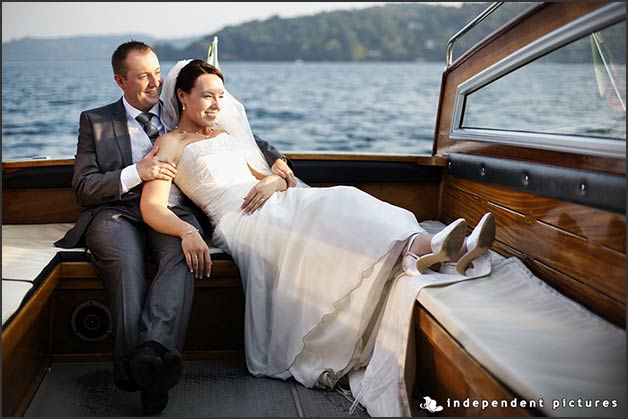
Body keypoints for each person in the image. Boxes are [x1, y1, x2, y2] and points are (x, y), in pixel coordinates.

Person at [139, 59, 495, 415]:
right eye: (207, 96)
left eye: (221, 95)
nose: (217, 104)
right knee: (335, 206)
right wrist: (187, 230)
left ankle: (424, 247)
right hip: (239, 219)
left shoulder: (227, 136)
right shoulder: (171, 145)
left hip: (275, 200)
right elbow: (153, 207)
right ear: (183, 96)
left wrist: (274, 181)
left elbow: (269, 175)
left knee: (342, 198)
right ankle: (427, 248)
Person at [54, 42, 295, 414]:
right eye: (142, 76)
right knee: (126, 265)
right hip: (114, 213)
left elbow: (246, 136)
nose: (154, 82)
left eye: (156, 72)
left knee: (182, 258)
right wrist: (138, 172)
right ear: (120, 80)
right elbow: (84, 187)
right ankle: (135, 369)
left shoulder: (178, 106)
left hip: (174, 213)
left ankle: (154, 355)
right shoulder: (96, 121)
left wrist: (277, 161)